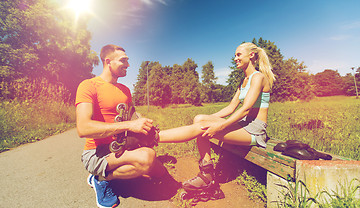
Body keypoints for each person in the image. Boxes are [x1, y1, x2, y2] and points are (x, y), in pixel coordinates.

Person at [158, 42, 275, 193]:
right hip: (243, 125)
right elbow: (231, 108)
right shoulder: (243, 81)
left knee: (202, 128)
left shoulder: (258, 77)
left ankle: (154, 137)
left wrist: (219, 126)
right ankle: (207, 172)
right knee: (200, 119)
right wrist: (208, 119)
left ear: (251, 55)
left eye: (238, 54)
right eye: (235, 55)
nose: (235, 58)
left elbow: (245, 109)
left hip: (255, 130)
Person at [75, 44, 165, 208]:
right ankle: (101, 178)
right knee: (147, 158)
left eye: (128, 61)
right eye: (123, 60)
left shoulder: (125, 89)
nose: (128, 65)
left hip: (122, 147)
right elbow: (83, 128)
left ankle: (109, 173)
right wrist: (130, 125)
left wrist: (143, 123)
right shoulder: (88, 85)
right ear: (108, 61)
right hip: (97, 152)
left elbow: (132, 116)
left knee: (161, 174)